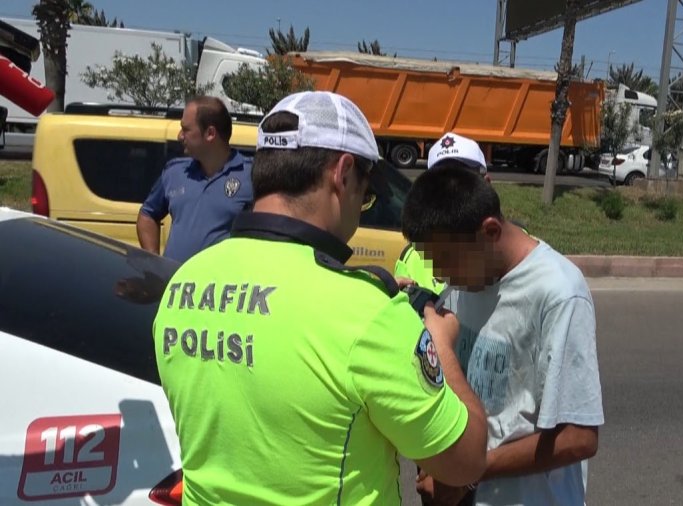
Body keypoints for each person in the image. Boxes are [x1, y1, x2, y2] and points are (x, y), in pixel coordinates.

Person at [153, 91, 487, 506]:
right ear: (343, 173)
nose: (359, 211)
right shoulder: (369, 314)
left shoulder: (185, 282)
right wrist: (441, 346)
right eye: (365, 196)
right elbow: (466, 461)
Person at [402, 166, 603, 506]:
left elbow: (578, 438)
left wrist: (469, 473)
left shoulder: (558, 293)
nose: (440, 274)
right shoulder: (466, 280)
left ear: (490, 231)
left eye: (446, 260)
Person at [137, 96, 253, 262]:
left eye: (186, 129)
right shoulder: (175, 172)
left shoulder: (251, 175)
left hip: (220, 285)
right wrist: (155, 263)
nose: (179, 136)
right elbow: (147, 215)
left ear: (210, 134)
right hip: (176, 283)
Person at [394, 132, 490, 295]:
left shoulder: (508, 249)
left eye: (462, 181)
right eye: (439, 183)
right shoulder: (411, 255)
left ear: (486, 183)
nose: (451, 190)